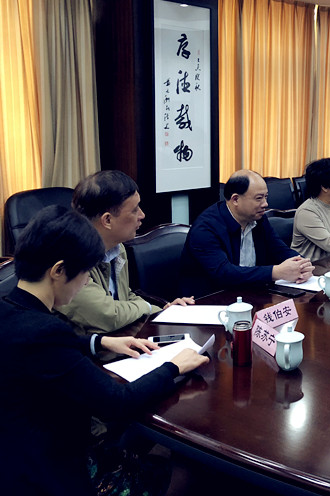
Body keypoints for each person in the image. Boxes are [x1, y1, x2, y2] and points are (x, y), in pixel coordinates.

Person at [0, 206, 208, 495]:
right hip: (49, 472)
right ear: (58, 270)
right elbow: (117, 402)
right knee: (188, 469)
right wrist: (173, 366)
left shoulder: (10, 308)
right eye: (85, 272)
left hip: (14, 454)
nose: (86, 282)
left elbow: (30, 350)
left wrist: (99, 341)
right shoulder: (45, 332)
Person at [56, 170, 193, 334]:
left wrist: (164, 311)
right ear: (107, 220)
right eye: (134, 210)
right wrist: (147, 308)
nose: (142, 215)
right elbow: (106, 316)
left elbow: (124, 296)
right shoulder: (70, 256)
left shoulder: (117, 247)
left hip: (119, 338)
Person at [180, 170, 314, 297]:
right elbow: (224, 273)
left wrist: (301, 264)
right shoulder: (206, 228)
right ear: (235, 199)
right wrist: (275, 272)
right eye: (259, 198)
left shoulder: (258, 218)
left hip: (252, 293)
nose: (265, 204)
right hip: (213, 299)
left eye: (266, 197)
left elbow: (279, 249)